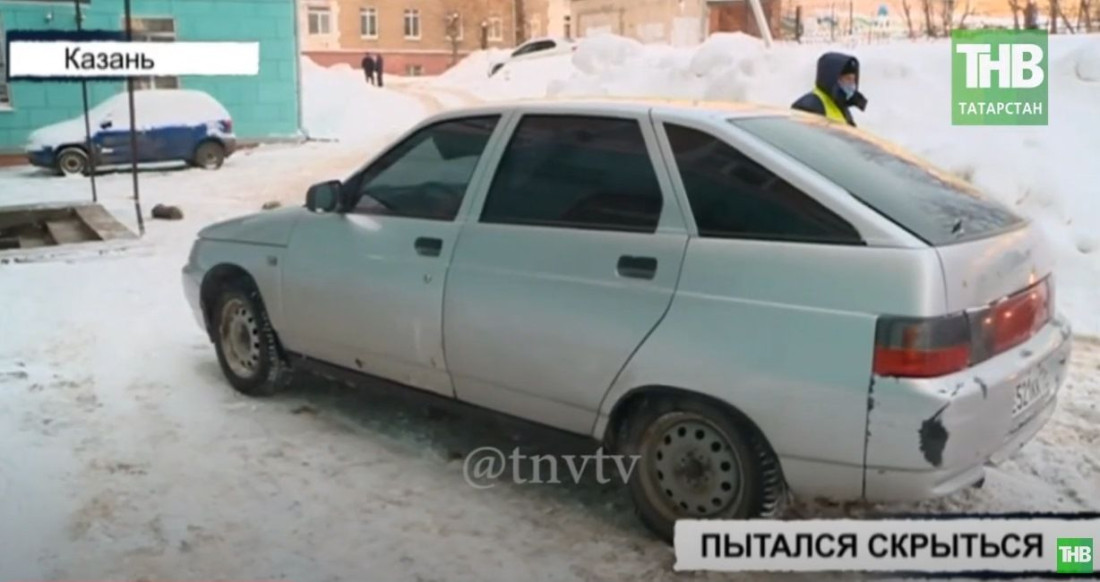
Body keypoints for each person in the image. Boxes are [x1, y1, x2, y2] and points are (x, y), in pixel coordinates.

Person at [791, 52, 868, 127]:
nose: (852, 84)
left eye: (853, 80)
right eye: (847, 79)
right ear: (832, 79)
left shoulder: (840, 106)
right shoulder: (809, 106)